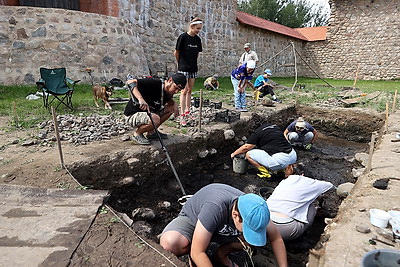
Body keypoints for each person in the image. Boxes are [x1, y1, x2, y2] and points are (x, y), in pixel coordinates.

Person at [160, 183, 288, 267]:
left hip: (221, 229)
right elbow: (197, 252)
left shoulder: (257, 212)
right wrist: (197, 253)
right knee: (170, 243)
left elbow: (276, 238)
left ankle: (221, 255)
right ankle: (198, 246)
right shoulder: (215, 207)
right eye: (247, 228)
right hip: (195, 221)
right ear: (235, 215)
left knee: (254, 239)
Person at [266, 163, 333, 241]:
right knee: (311, 208)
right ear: (302, 174)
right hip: (286, 231)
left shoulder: (284, 182)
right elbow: (330, 185)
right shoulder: (308, 181)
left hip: (265, 224)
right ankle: (302, 237)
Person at [124, 73, 187, 145]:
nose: (176, 92)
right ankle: (137, 134)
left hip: (150, 113)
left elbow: (167, 99)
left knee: (171, 108)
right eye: (176, 87)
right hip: (132, 114)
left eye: (179, 90)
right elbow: (131, 82)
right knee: (155, 119)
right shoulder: (154, 83)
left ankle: (152, 132)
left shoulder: (168, 92)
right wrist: (140, 99)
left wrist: (174, 104)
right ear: (170, 80)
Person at [231, 122, 297, 178]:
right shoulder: (274, 126)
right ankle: (282, 169)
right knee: (273, 151)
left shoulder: (257, 133)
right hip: (293, 157)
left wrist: (234, 154)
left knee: (248, 154)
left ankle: (266, 173)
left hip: (281, 161)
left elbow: (246, 147)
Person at [175, 17, 203, 127]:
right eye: (197, 28)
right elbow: (176, 52)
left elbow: (197, 54)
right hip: (183, 67)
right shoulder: (183, 37)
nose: (198, 30)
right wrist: (180, 64)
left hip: (193, 67)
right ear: (192, 26)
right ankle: (182, 114)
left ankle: (188, 110)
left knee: (190, 90)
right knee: (184, 90)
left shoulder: (197, 40)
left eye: (200, 29)